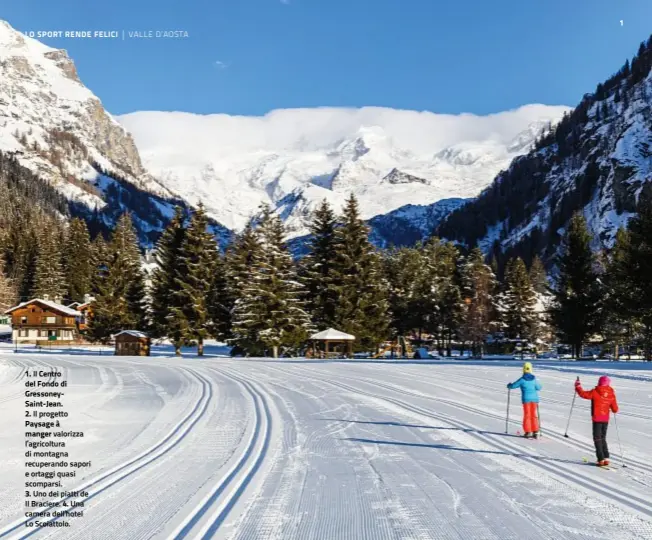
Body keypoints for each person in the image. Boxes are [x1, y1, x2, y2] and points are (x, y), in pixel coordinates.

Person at [575, 376, 619, 467]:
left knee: (597, 438)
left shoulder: (595, 392)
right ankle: (606, 458)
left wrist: (578, 386)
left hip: (597, 419)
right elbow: (615, 409)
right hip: (605, 419)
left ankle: (601, 459)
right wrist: (612, 408)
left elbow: (583, 394)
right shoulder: (611, 393)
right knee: (603, 437)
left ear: (599, 382)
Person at [507, 362, 542, 438]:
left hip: (526, 400)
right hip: (535, 399)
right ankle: (535, 431)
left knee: (527, 415)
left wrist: (509, 385)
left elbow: (513, 386)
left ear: (523, 369)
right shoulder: (534, 379)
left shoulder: (522, 379)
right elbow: (539, 387)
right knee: (533, 415)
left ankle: (528, 431)